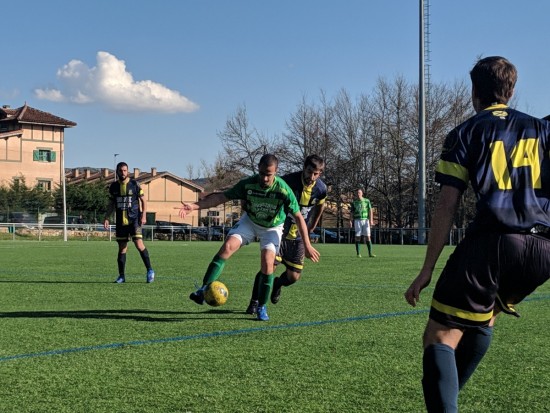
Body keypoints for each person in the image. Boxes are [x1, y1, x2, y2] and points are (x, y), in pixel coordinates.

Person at [404, 56, 550, 412]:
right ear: (511, 90)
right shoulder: (543, 130)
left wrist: (426, 270)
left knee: (440, 334)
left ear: (475, 92)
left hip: (493, 244)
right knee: (483, 318)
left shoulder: (466, 132)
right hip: (543, 252)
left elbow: (446, 206)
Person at [178, 154, 320, 321]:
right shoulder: (248, 183)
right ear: (258, 170)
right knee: (227, 247)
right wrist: (195, 206)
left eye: (269, 174)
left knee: (268, 264)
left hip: (272, 227)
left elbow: (298, 218)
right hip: (250, 222)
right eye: (262, 173)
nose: (265, 178)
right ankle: (203, 290)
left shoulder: (283, 190)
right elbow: (220, 197)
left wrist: (308, 245)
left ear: (276, 172)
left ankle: (261, 306)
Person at [245, 154, 327, 315]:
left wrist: (314, 224)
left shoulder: (321, 189)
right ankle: (254, 302)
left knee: (293, 276)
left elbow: (320, 206)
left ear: (320, 174)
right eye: (309, 172)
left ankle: (277, 285)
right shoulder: (288, 182)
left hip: (298, 236)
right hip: (280, 231)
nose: (311, 176)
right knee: (268, 267)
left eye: (316, 174)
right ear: (304, 168)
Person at [104, 161, 155, 283]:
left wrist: (143, 215)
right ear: (117, 171)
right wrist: (106, 217)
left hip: (134, 220)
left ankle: (150, 270)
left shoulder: (134, 184)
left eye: (125, 170)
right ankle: (121, 276)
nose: (123, 173)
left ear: (128, 171)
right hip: (120, 222)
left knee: (139, 244)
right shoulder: (113, 187)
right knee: (122, 248)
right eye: (121, 171)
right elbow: (111, 204)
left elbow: (144, 200)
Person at [350, 188, 375, 257]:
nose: (358, 194)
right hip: (357, 220)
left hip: (366, 220)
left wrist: (371, 220)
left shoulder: (367, 201)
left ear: (362, 193)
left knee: (368, 236)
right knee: (357, 237)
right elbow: (351, 212)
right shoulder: (354, 202)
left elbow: (370, 210)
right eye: (357, 193)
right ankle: (358, 253)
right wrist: (350, 220)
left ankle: (370, 253)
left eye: (359, 193)